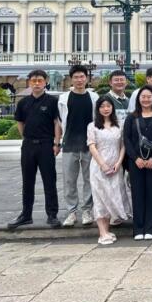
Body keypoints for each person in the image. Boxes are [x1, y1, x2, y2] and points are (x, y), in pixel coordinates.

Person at [8, 70, 61, 229]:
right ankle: (26, 215)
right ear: (29, 82)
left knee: (49, 180)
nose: (36, 83)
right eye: (33, 81)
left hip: (46, 144)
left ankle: (52, 214)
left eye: (40, 80)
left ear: (45, 82)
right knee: (27, 181)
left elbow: (56, 123)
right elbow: (20, 122)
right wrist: (26, 138)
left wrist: (56, 143)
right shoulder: (23, 103)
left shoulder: (52, 101)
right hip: (29, 145)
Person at [123, 85, 152, 240]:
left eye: (149, 96)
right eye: (143, 97)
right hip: (136, 162)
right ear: (138, 99)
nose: (146, 99)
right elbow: (127, 139)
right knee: (137, 194)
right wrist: (135, 158)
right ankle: (138, 229)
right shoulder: (132, 117)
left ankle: (151, 229)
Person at [58, 64, 99, 227]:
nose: (79, 80)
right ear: (71, 79)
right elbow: (58, 122)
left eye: (82, 77)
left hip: (89, 144)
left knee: (90, 179)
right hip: (69, 143)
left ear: (86, 78)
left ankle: (87, 210)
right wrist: (57, 142)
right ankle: (72, 212)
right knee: (69, 180)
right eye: (76, 77)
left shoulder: (94, 97)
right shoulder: (63, 99)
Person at [87, 95, 131, 245]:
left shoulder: (119, 125)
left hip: (115, 167)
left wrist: (118, 163)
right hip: (99, 167)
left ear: (112, 107)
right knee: (100, 198)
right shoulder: (92, 126)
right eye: (102, 106)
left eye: (108, 106)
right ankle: (102, 232)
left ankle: (108, 229)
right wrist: (103, 164)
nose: (105, 109)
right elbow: (92, 146)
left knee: (112, 195)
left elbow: (123, 146)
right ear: (98, 109)